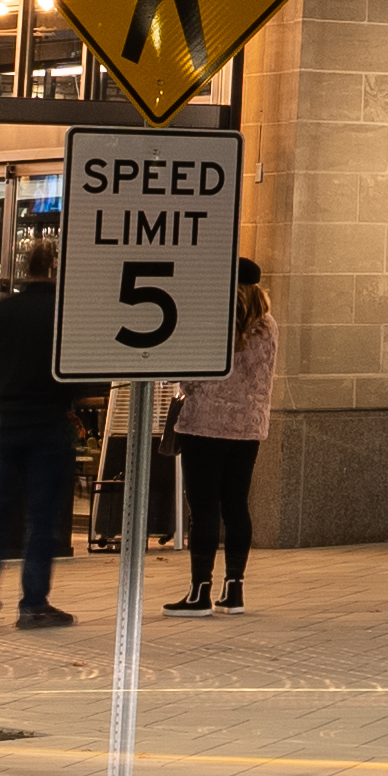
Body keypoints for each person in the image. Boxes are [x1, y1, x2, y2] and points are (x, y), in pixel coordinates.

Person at [164, 258, 277, 608]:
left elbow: (194, 375)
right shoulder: (269, 326)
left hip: (205, 427)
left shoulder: (215, 321)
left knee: (204, 509)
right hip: (248, 429)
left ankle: (200, 592)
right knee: (236, 506)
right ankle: (235, 589)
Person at [0, 308, 83, 631]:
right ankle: (33, 603)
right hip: (48, 425)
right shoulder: (60, 314)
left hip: (10, 422)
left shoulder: (1, 314)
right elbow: (77, 370)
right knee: (42, 518)